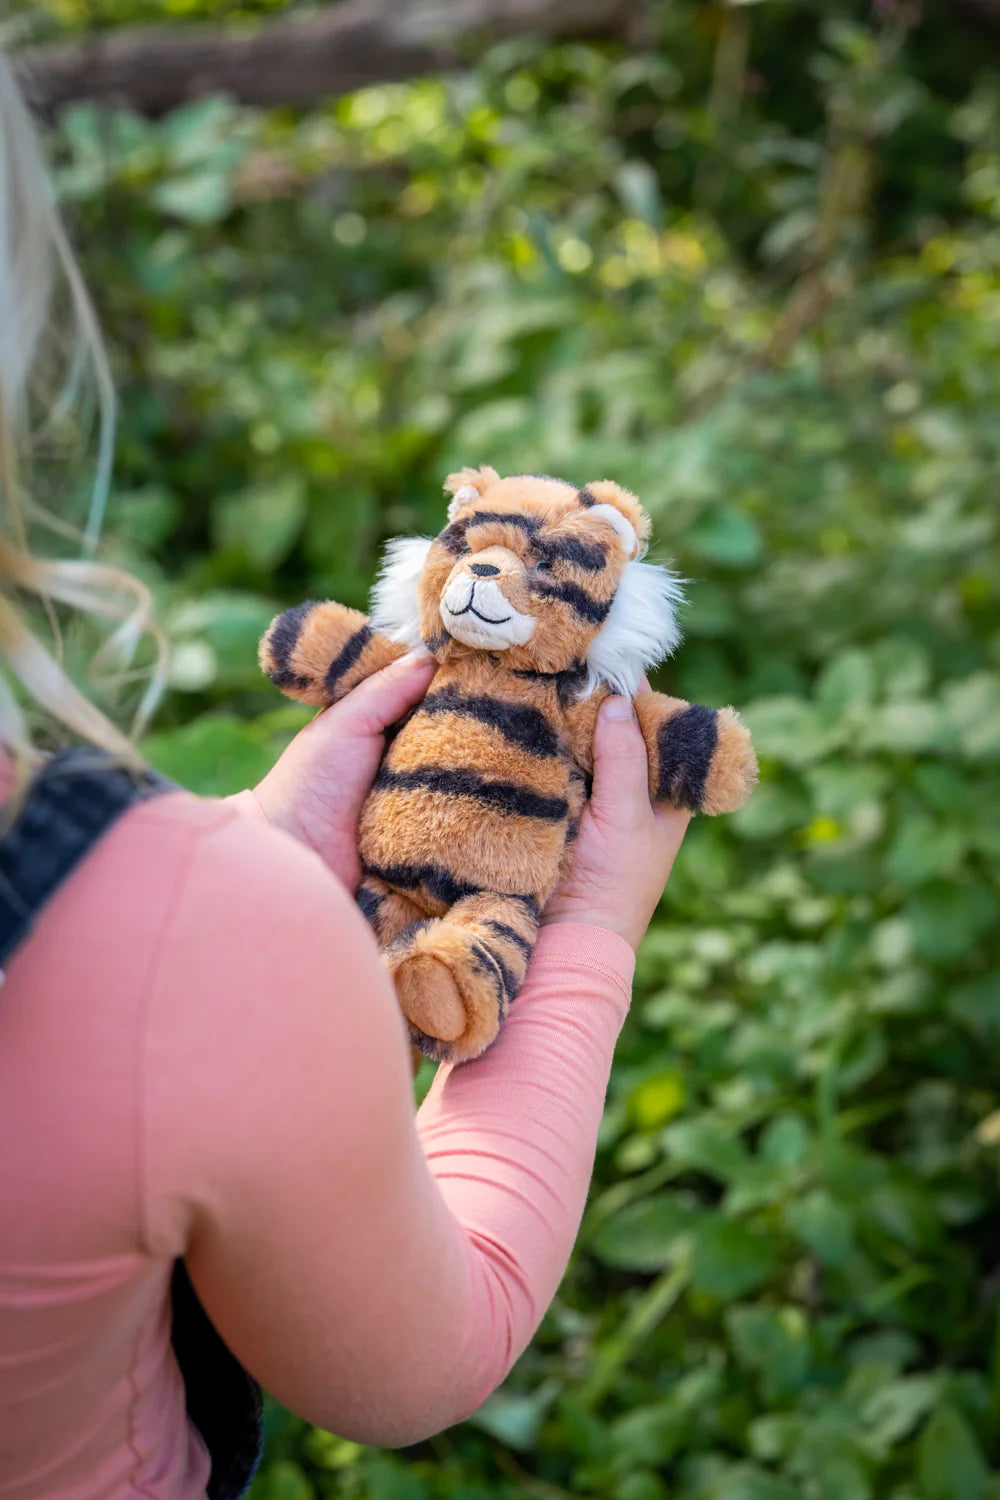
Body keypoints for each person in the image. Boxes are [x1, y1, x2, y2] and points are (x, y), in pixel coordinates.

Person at [0, 52, 690, 1500]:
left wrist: (249, 862)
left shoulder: (194, 928)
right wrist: (587, 935)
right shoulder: (188, 940)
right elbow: (420, 1360)